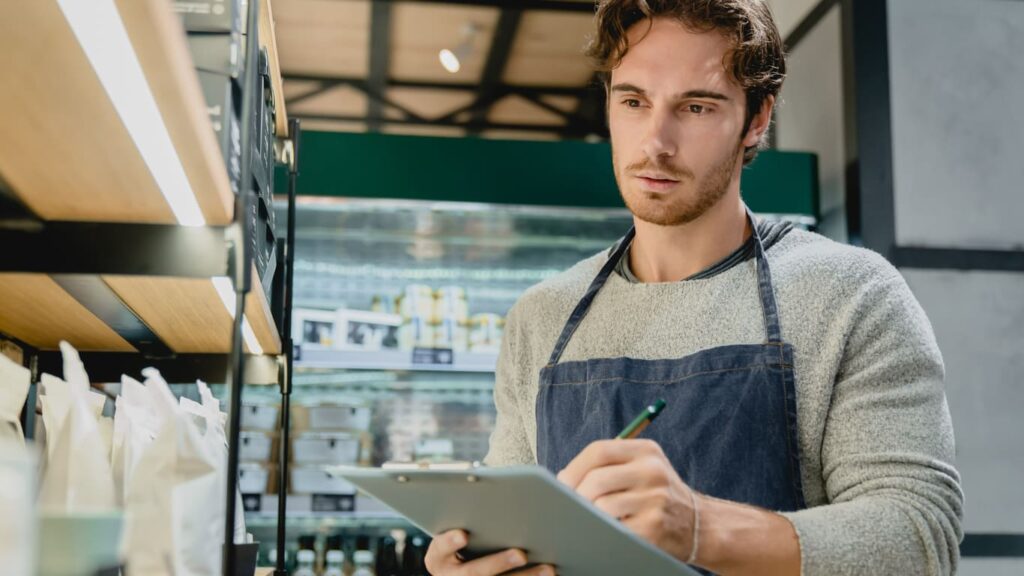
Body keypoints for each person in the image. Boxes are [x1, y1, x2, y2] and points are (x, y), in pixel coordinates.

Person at [424, 0, 963, 574]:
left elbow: (918, 538)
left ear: (757, 118)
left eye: (697, 106)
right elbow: (516, 524)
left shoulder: (852, 294)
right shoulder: (542, 317)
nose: (656, 141)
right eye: (633, 101)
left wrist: (701, 528)